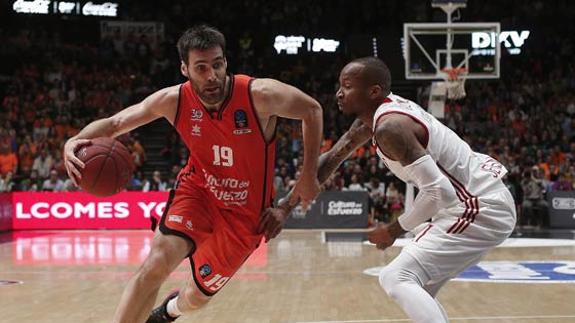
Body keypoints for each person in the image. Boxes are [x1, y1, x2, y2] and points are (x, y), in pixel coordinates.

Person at [63, 25, 323, 323]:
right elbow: (114, 123)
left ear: (226, 62)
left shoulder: (259, 95)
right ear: (185, 69)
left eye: (217, 64)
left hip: (244, 215)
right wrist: (74, 140)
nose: (211, 75)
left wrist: (307, 175)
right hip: (198, 191)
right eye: (201, 67)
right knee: (156, 264)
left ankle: (169, 310)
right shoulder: (174, 100)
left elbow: (312, 110)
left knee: (196, 298)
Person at [259, 57, 516, 323]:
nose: (338, 93)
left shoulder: (391, 128)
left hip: (478, 205)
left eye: (347, 86)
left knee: (396, 277)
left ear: (374, 92)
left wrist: (393, 230)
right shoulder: (369, 122)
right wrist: (283, 208)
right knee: (418, 290)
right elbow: (330, 159)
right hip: (473, 202)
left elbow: (441, 193)